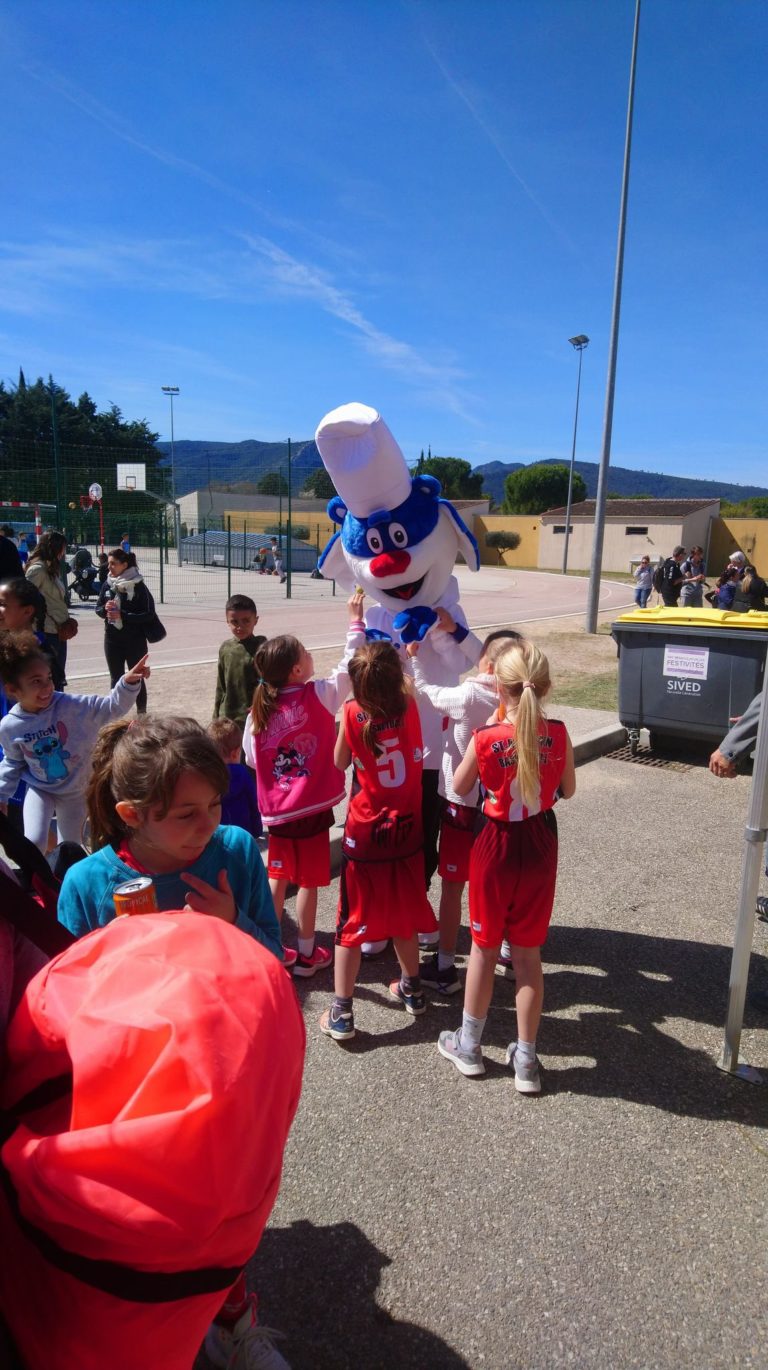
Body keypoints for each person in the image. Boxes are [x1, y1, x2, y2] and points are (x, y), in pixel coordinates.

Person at [0, 911, 304, 1370]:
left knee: (212, 1212)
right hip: (75, 1222)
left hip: (132, 1136)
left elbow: (48, 1014)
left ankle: (228, 1321)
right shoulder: (86, 882)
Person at [437, 640, 576, 1094]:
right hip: (539, 843)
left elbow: (460, 786)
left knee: (483, 948)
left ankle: (470, 1046)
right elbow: (568, 790)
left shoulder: (487, 737)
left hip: (494, 845)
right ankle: (527, 1061)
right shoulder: (559, 733)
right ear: (545, 687)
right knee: (527, 955)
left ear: (499, 686)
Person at [56, 715, 282, 960]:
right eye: (186, 815)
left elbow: (274, 955)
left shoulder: (238, 850)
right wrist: (108, 951)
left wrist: (233, 921)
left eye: (215, 803)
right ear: (132, 814)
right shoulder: (86, 885)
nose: (209, 825)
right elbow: (66, 980)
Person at [320, 640, 437, 1041]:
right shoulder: (409, 706)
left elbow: (339, 761)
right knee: (404, 914)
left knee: (350, 922)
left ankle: (342, 1011)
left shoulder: (354, 712)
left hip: (367, 833)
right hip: (407, 830)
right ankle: (412, 988)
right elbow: (406, 684)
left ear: (359, 684)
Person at [245, 593, 366, 974]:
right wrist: (356, 621)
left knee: (277, 878)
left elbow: (252, 758)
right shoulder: (320, 695)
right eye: (307, 653)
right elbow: (349, 666)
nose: (312, 656)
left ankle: (270, 947)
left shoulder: (257, 712)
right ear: (297, 669)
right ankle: (308, 951)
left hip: (278, 814)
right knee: (308, 884)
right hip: (312, 809)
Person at [409, 626, 523, 995]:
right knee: (501, 884)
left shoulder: (471, 694)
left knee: (453, 887)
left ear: (487, 664)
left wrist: (414, 658)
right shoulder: (522, 700)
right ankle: (509, 953)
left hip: (462, 806)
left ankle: (444, 966)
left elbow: (427, 692)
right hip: (501, 808)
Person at [0, 630, 148, 851]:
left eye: (49, 678)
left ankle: (62, 873)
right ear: (13, 689)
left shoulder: (71, 706)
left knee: (70, 847)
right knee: (34, 842)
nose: (47, 686)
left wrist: (128, 683)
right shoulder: (10, 726)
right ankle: (39, 873)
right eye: (36, 681)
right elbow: (12, 762)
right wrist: (1, 796)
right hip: (41, 790)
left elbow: (111, 708)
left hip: (75, 792)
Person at [95, 548, 155, 714]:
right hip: (112, 639)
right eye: (109, 564)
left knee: (137, 678)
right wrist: (105, 610)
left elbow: (148, 614)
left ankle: (142, 715)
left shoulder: (138, 585)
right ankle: (115, 715)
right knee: (116, 678)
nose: (109, 567)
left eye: (113, 564)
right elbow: (98, 609)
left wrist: (123, 615)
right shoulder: (108, 584)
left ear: (125, 565)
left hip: (134, 641)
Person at [25, 530, 77, 690]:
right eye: (63, 548)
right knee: (52, 677)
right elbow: (25, 597)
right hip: (47, 631)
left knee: (58, 676)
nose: (64, 553)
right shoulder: (37, 569)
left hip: (59, 630)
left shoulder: (51, 568)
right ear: (55, 548)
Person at [213, 593, 266, 733]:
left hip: (253, 715)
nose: (240, 627)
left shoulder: (263, 647)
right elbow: (221, 686)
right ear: (227, 621)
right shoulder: (225, 648)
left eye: (246, 621)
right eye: (234, 622)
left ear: (256, 620)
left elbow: (271, 683)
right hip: (227, 716)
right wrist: (216, 717)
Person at [208, 717, 262, 840]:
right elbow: (254, 803)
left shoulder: (208, 776)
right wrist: (257, 830)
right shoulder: (243, 774)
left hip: (215, 833)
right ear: (236, 753)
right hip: (243, 833)